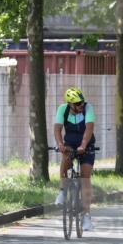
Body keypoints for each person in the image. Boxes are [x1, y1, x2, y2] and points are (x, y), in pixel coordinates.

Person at [53, 87, 96, 231]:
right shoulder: (62, 110)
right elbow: (57, 129)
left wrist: (84, 145)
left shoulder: (88, 108)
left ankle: (86, 216)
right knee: (65, 159)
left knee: (85, 177)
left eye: (82, 102)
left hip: (87, 144)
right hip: (70, 144)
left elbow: (89, 128)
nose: (81, 105)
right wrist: (60, 144)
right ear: (70, 104)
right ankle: (62, 191)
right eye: (77, 103)